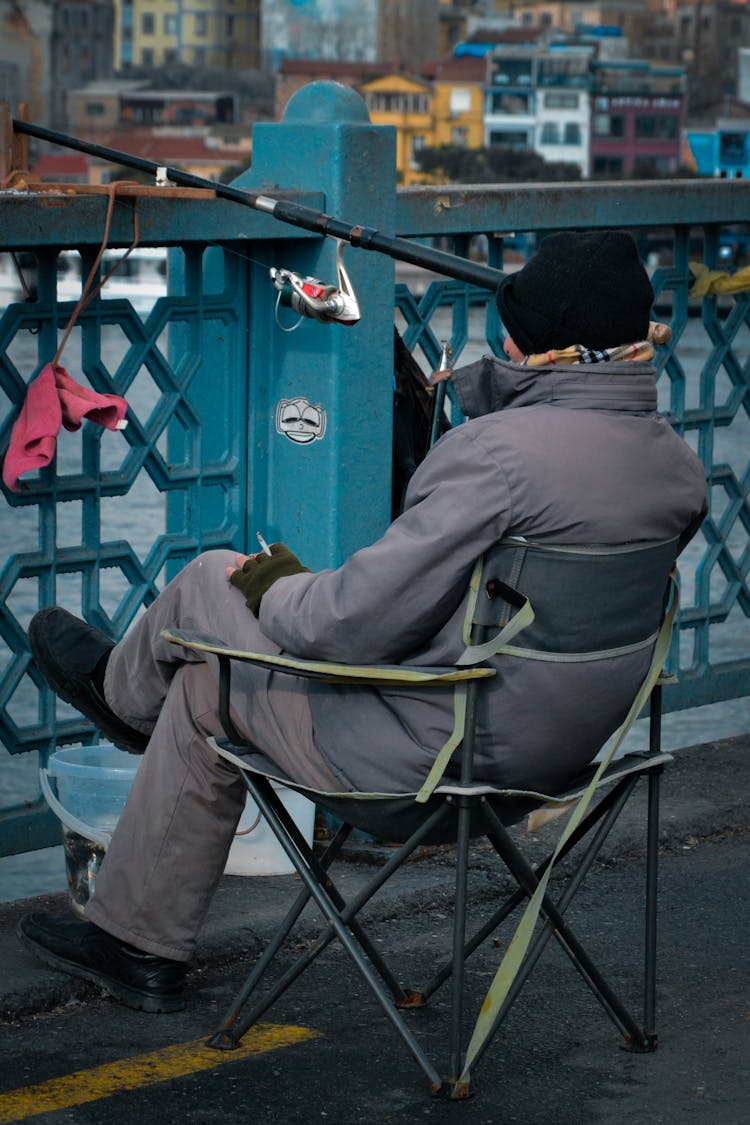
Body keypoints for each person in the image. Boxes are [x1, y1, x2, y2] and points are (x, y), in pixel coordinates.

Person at [18, 229, 708, 1014]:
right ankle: (134, 938)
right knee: (209, 680)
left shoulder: (495, 460)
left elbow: (346, 628)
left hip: (429, 765)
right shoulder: (676, 471)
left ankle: (120, 699)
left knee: (216, 581)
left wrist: (272, 577)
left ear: (534, 347)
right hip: (567, 763)